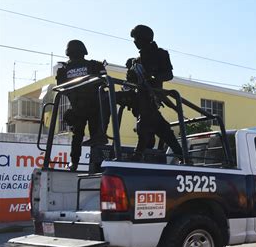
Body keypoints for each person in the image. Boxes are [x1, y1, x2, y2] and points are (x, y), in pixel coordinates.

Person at [119, 25, 182, 161]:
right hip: (139, 99)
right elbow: (129, 83)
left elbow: (168, 75)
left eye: (136, 38)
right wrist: (129, 83)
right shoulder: (136, 61)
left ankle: (138, 155)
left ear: (144, 38)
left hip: (152, 97)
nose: (135, 42)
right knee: (162, 129)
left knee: (145, 125)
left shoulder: (160, 54)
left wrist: (153, 77)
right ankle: (183, 156)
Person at [56, 40, 109, 171]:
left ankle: (74, 163)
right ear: (83, 51)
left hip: (78, 109)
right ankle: (96, 165)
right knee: (96, 137)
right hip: (94, 108)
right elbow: (105, 81)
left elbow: (61, 89)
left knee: (77, 136)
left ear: (68, 53)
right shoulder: (94, 65)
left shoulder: (63, 70)